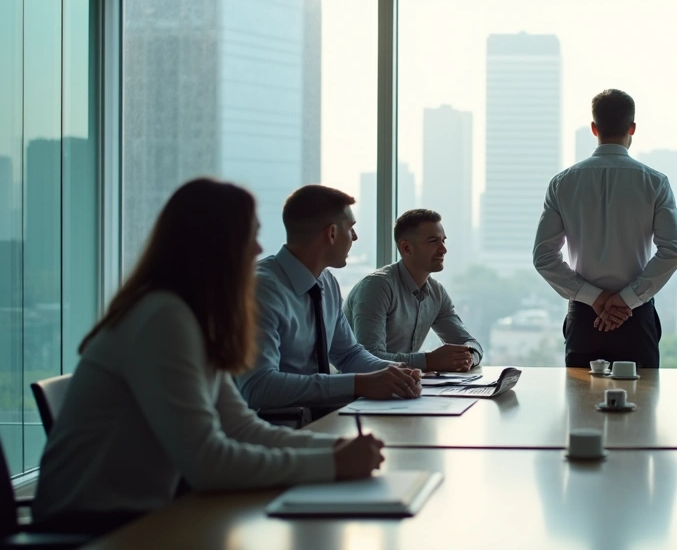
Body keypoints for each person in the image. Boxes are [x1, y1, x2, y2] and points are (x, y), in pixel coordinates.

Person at [33, 179, 386, 534]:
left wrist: (335, 447)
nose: (258, 249)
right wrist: (330, 463)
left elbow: (241, 427)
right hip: (93, 528)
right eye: (250, 236)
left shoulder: (189, 317)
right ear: (216, 246)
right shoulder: (163, 318)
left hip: (145, 516)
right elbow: (208, 463)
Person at [533, 88, 677, 368]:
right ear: (633, 128)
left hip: (585, 318)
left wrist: (597, 298)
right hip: (636, 319)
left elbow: (544, 258)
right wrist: (625, 300)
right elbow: (672, 252)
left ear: (594, 128)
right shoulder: (655, 182)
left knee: (580, 407)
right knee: (642, 406)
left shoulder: (562, 183)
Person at [237, 185, 421, 412]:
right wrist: (360, 384)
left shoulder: (326, 282)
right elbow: (258, 387)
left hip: (322, 422)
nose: (355, 236)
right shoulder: (261, 289)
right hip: (276, 432)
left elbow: (348, 354)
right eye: (350, 228)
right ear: (331, 233)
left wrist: (395, 371)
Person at [344, 209, 483, 372]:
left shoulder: (436, 293)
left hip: (403, 388)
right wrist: (429, 361)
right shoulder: (377, 287)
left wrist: (468, 357)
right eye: (433, 241)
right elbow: (368, 359)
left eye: (443, 241)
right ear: (406, 248)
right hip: (359, 393)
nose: (443, 249)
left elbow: (468, 342)